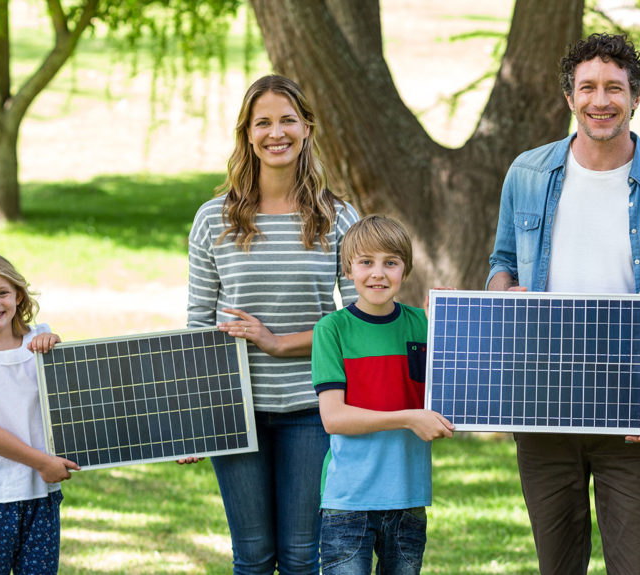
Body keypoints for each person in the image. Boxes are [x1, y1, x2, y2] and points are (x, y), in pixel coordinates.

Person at [486, 32, 640, 574]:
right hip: (540, 403)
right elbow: (501, 262)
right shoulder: (528, 174)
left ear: (636, 97)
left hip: (631, 410)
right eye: (588, 87)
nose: (600, 100)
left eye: (614, 88)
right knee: (557, 566)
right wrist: (503, 293)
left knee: (639, 565)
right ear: (569, 97)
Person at [187, 74, 359, 574]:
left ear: (307, 128)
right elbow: (198, 325)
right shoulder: (212, 219)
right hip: (233, 411)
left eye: (287, 120)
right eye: (262, 122)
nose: (275, 132)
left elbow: (355, 323)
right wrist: (195, 420)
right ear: (247, 134)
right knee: (254, 558)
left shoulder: (337, 218)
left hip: (311, 409)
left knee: (303, 557)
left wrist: (279, 343)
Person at [311, 214, 455, 575]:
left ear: (404, 270)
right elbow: (334, 418)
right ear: (348, 270)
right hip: (348, 501)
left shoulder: (425, 324)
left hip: (408, 497)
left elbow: (457, 390)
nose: (378, 273)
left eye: (390, 262)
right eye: (366, 262)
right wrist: (408, 418)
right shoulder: (332, 329)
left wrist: (454, 325)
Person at [0, 250, 80, 574]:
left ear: (18, 295)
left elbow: (69, 398)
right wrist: (43, 463)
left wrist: (56, 346)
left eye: (2, 293)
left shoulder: (40, 341)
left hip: (42, 493)